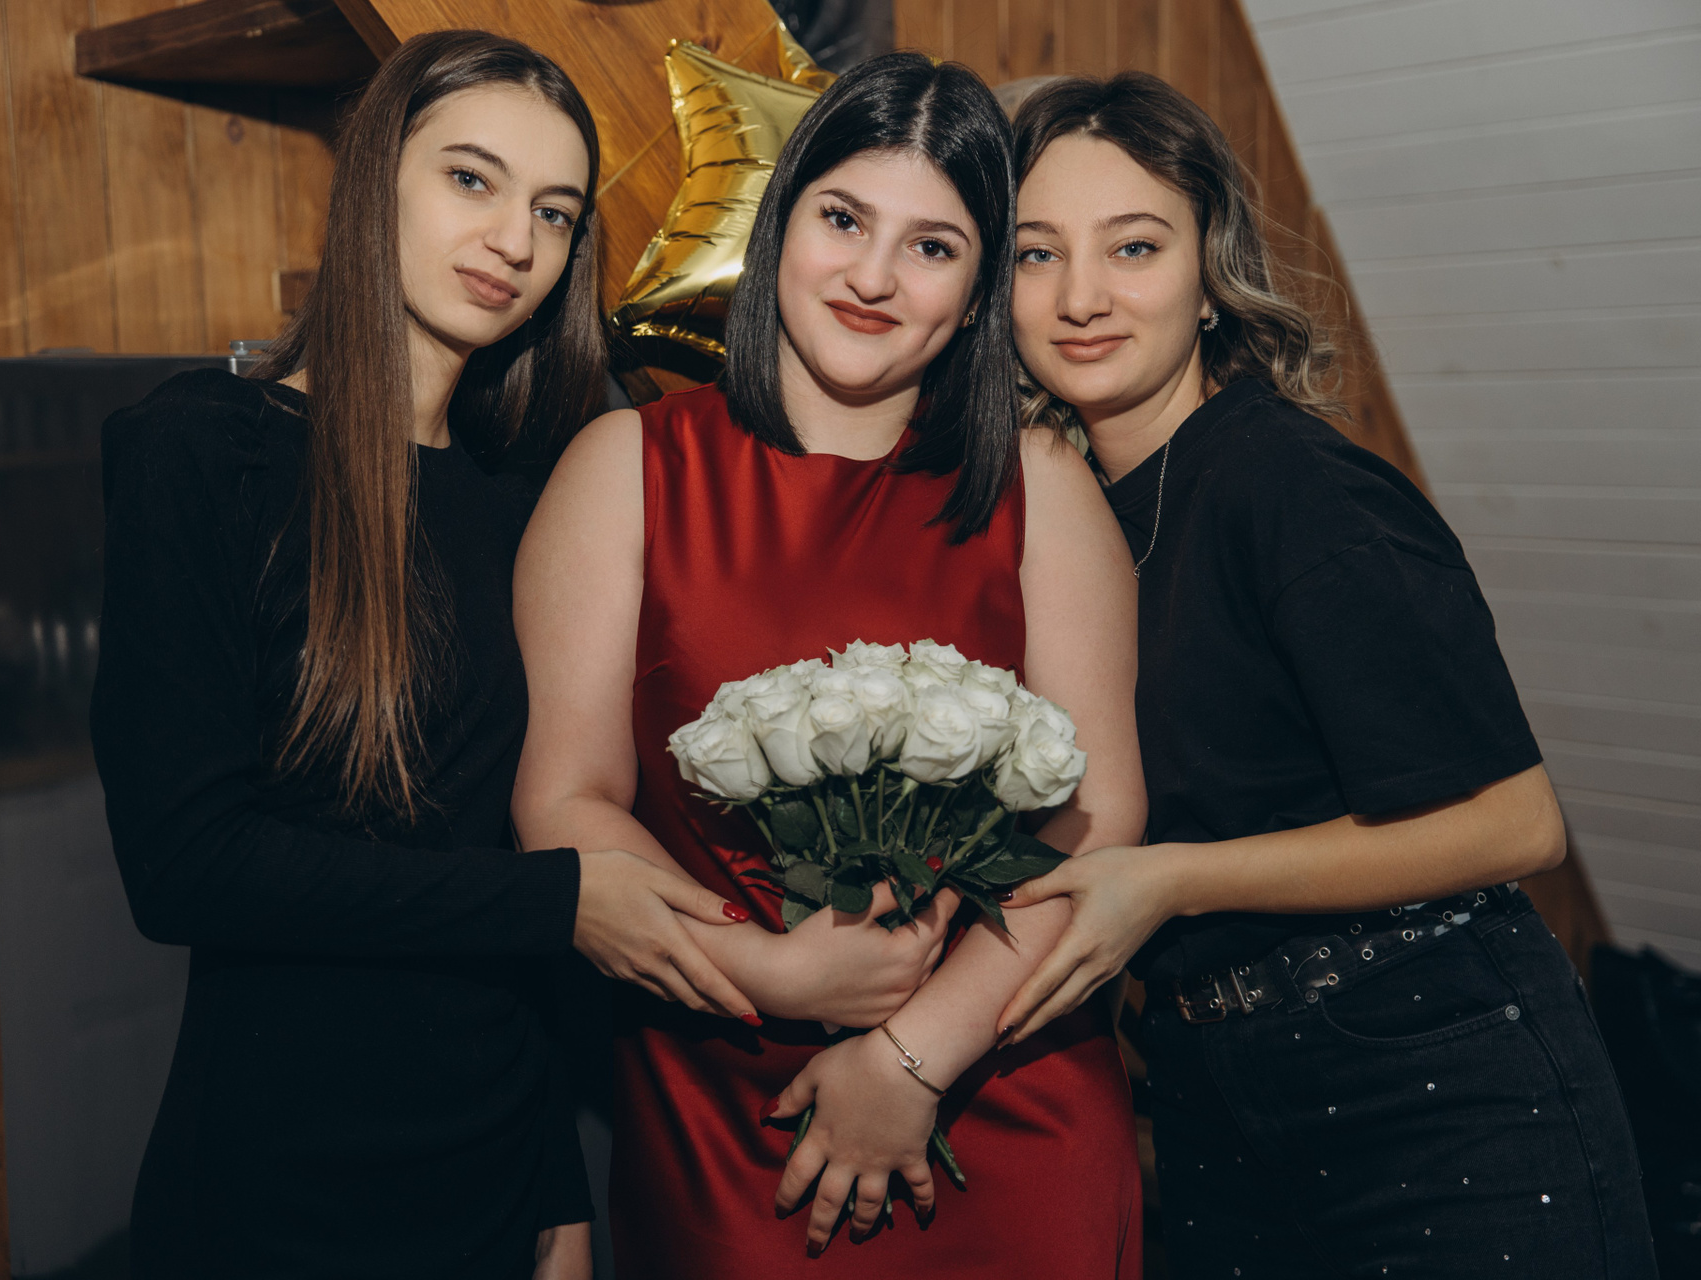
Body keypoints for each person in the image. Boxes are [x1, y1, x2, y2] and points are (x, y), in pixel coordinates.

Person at [91, 31, 761, 1280]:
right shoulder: (205, 450)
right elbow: (184, 866)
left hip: (496, 1173)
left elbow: (489, 842)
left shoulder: (523, 497)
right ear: (375, 177)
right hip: (275, 1186)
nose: (515, 239)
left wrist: (557, 1187)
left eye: (554, 212)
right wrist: (562, 901)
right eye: (470, 179)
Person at [996, 72, 1656, 1278]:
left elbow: (1514, 823)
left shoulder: (1293, 487)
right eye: (1037, 254)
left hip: (1437, 1076)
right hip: (1214, 1102)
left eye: (1134, 246)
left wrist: (1173, 881)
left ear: (1209, 277)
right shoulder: (1063, 513)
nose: (1080, 297)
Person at [512, 53, 1145, 1278]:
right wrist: (773, 971)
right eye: (844, 219)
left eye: (932, 246)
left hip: (1004, 1093)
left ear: (979, 290)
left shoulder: (1042, 486)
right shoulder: (627, 467)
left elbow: (1099, 820)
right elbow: (565, 801)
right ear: (779, 223)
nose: (872, 276)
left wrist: (913, 1055)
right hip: (725, 1097)